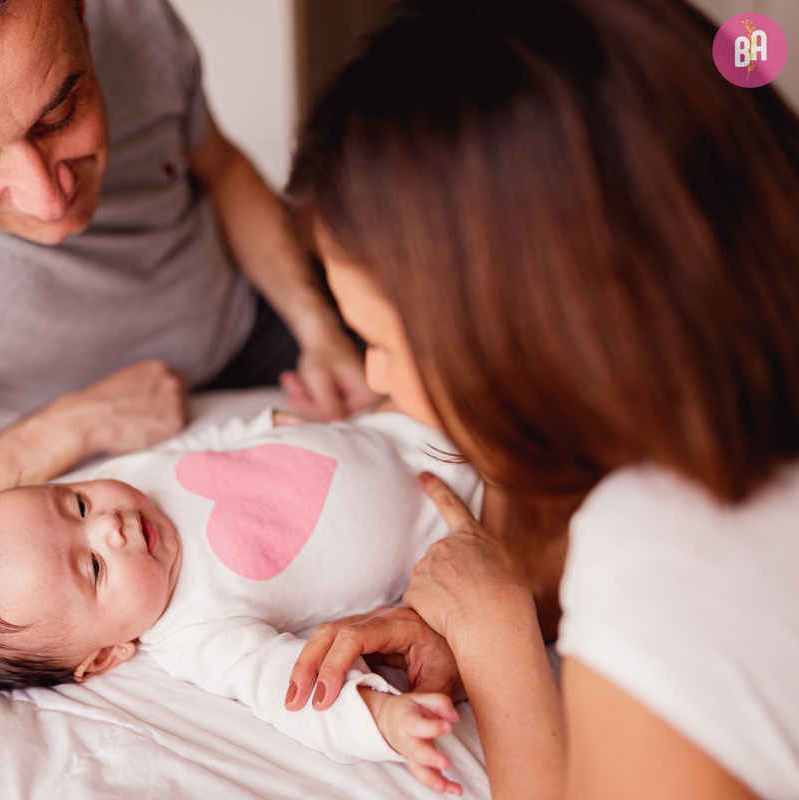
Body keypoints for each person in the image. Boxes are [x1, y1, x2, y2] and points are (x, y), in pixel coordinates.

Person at [281, 1, 799, 798]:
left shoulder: (666, 549)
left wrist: (500, 652)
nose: (377, 378)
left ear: (525, 330)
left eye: (379, 338)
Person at [0, 0, 374, 587]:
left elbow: (219, 167)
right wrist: (67, 429)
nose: (48, 202)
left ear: (83, 14)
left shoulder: (133, 19)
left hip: (257, 305)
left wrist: (316, 326)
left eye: (59, 115)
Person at [0, 407, 481, 792]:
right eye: (93, 567)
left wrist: (272, 420)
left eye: (75, 504)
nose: (110, 525)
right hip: (472, 514)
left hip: (406, 419)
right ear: (107, 655)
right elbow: (287, 687)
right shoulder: (197, 631)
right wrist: (383, 719)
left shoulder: (127, 479)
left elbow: (203, 444)